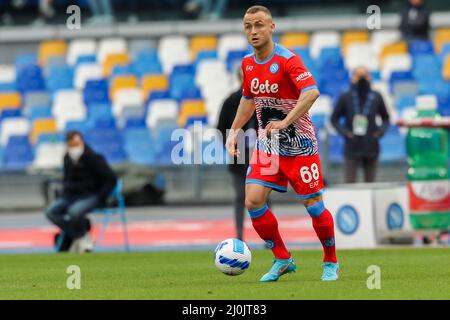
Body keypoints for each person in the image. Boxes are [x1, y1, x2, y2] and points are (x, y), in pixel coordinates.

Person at [225, 5, 338, 282]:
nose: (253, 31)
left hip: (300, 145)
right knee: (253, 200)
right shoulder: (247, 64)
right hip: (269, 147)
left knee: (313, 205)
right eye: (248, 26)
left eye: (259, 25)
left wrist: (286, 121)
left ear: (272, 27)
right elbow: (248, 99)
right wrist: (233, 131)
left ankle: (330, 262)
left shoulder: (288, 60)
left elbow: (311, 92)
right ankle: (283, 258)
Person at [46, 131, 117, 253]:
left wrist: (102, 195)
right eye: (72, 145)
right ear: (68, 145)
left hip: (91, 195)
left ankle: (78, 237)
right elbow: (67, 179)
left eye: (77, 143)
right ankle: (82, 236)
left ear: (82, 142)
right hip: (71, 196)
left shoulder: (94, 158)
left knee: (74, 212)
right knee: (51, 212)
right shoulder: (67, 158)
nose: (75, 147)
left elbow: (111, 179)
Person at [217, 67, 258, 241]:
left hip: (259, 155)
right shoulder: (231, 101)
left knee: (261, 197)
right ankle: (240, 235)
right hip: (238, 157)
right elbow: (221, 128)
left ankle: (268, 236)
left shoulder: (261, 100)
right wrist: (231, 142)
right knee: (241, 196)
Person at [331, 66, 390, 183]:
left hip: (371, 146)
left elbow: (386, 118)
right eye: (359, 75)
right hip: (352, 146)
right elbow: (334, 119)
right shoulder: (345, 96)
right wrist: (345, 133)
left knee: (370, 185)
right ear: (353, 78)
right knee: (350, 185)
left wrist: (380, 132)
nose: (362, 78)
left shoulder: (376, 96)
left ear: (370, 77)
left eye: (365, 75)